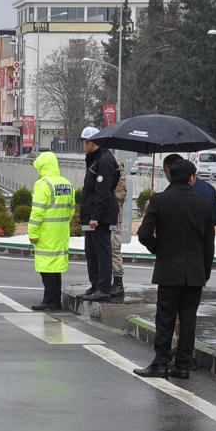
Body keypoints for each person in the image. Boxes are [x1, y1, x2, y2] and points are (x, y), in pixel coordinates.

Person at [134, 159, 215, 378]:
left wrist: (160, 249)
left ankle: (161, 362)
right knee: (189, 319)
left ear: (170, 175)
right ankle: (182, 365)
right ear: (191, 178)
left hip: (169, 269)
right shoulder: (205, 205)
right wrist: (204, 271)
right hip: (195, 271)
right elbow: (209, 245)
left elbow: (143, 234)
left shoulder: (159, 201)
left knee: (165, 317)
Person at [27, 151, 75, 311]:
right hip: (61, 232)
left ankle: (49, 300)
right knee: (55, 268)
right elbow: (72, 209)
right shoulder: (67, 183)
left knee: (46, 267)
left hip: (46, 233)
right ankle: (55, 299)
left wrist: (32, 233)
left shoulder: (42, 185)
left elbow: (37, 213)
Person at [79, 127, 120, 302]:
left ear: (92, 142)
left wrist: (95, 216)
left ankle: (103, 288)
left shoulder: (104, 160)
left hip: (100, 216)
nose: (82, 145)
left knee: (102, 252)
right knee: (91, 251)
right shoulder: (94, 159)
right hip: (91, 212)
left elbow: (102, 191)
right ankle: (95, 285)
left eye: (84, 141)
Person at [163, 154, 216, 225]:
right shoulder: (209, 188)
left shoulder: (167, 194)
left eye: (165, 172)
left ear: (170, 172)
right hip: (203, 234)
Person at [109, 161, 127, 298]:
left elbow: (120, 195)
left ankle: (118, 282)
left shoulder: (116, 163)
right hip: (103, 215)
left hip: (113, 215)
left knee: (114, 248)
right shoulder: (98, 160)